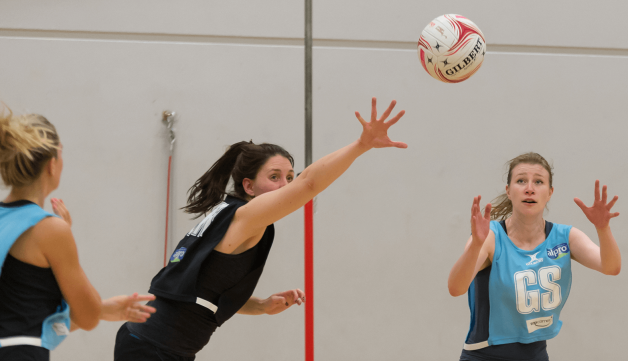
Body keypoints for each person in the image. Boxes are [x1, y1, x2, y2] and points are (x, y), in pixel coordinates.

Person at [114, 97, 407, 360]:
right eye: (275, 176)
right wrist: (361, 145)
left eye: (289, 177)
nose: (285, 185)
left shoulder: (232, 216)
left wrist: (262, 305)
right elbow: (310, 183)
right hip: (153, 348)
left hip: (154, 344)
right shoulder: (246, 216)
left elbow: (203, 292)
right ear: (249, 186)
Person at [0, 108, 156, 361]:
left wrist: (103, 309)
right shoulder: (50, 230)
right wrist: (64, 239)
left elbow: (22, 315)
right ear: (52, 164)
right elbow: (88, 317)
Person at [448, 152, 621, 361]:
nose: (529, 188)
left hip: (535, 355)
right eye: (521, 180)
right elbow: (456, 288)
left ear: (549, 192)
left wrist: (603, 229)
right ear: (508, 191)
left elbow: (611, 267)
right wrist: (476, 245)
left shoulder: (564, 237)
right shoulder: (490, 236)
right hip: (484, 355)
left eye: (538, 182)